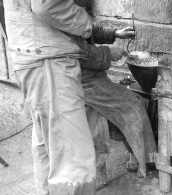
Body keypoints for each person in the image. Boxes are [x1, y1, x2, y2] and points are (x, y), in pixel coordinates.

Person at [3, 0, 125, 194]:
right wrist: (86, 25)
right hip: (48, 62)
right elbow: (47, 5)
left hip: (33, 58)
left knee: (50, 151)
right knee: (74, 163)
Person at [80, 22, 157, 178]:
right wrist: (107, 53)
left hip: (94, 77)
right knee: (134, 103)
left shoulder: (70, 11)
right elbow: (79, 52)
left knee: (134, 100)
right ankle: (143, 157)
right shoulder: (54, 10)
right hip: (82, 82)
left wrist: (116, 33)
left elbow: (87, 26)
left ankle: (135, 158)